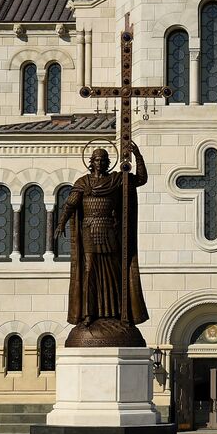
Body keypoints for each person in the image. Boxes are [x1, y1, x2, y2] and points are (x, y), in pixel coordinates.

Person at [57, 140, 149, 338]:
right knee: (89, 272)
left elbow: (141, 179)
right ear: (91, 162)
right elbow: (70, 204)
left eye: (104, 160)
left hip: (109, 230)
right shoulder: (83, 183)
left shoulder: (117, 179)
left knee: (114, 273)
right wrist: (60, 223)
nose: (100, 162)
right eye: (97, 159)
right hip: (89, 230)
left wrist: (138, 156)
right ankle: (89, 314)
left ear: (108, 163)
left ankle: (116, 314)